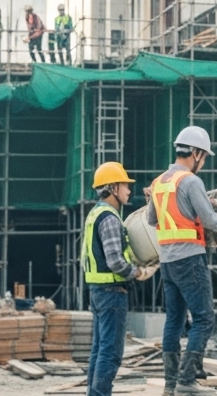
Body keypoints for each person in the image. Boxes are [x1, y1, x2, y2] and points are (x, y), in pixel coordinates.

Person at [147, 126, 217, 396]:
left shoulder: (159, 182)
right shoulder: (190, 181)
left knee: (173, 320)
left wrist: (193, 207)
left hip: (167, 262)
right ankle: (187, 381)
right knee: (204, 318)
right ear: (196, 153)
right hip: (190, 259)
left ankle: (170, 384)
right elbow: (211, 221)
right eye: (205, 156)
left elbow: (153, 220)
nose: (204, 161)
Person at [83, 162, 157, 396]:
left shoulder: (95, 214)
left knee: (99, 350)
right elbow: (115, 261)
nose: (128, 190)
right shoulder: (110, 218)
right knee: (111, 352)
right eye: (125, 185)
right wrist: (138, 272)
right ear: (112, 188)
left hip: (98, 292)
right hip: (112, 293)